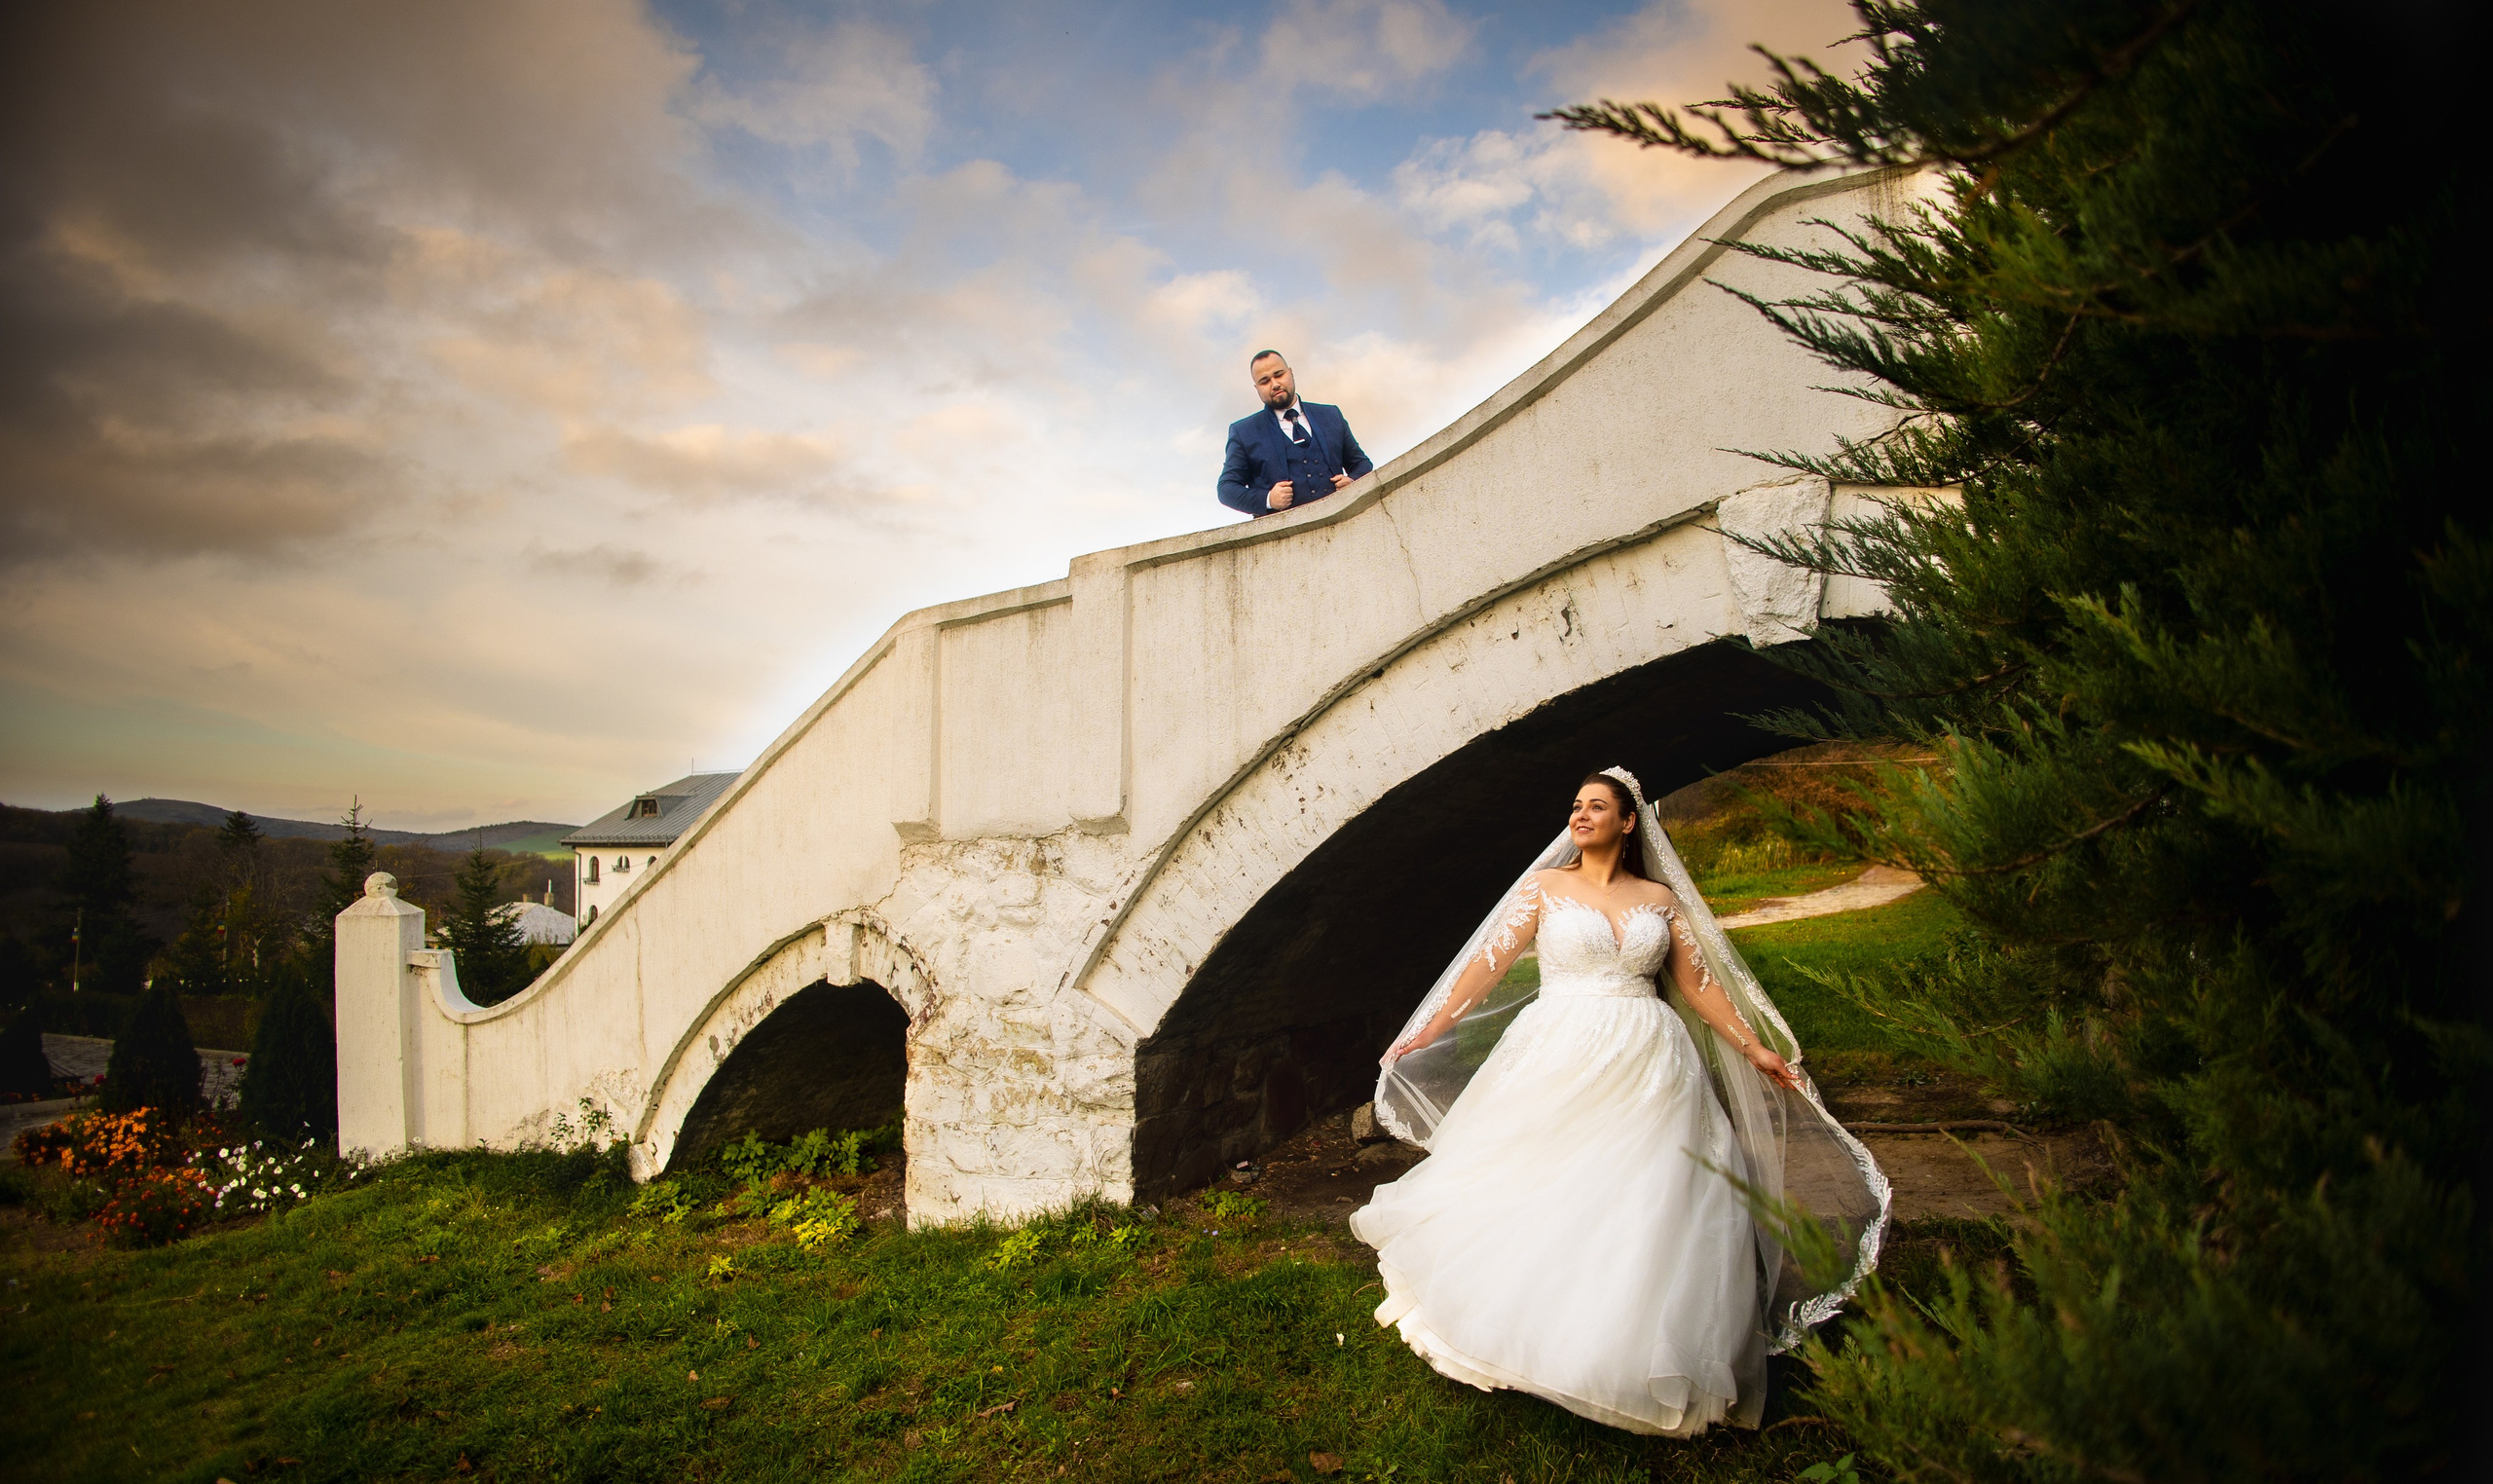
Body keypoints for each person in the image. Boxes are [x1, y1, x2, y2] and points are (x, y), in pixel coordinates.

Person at [1353, 767, 1888, 1436]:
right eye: (1575, 805)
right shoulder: (1546, 887)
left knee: (1652, 1191)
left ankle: (1627, 1346)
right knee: (1547, 1177)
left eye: (1596, 807)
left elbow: (1696, 986)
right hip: (1559, 1046)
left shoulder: (1660, 899)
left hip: (1650, 1056)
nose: (1580, 815)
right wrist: (1432, 1027)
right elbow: (1488, 964)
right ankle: (1520, 1320)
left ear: (1628, 822)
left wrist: (1753, 1047)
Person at [1217, 350, 1373, 516]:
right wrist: (1269, 499)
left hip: (1340, 523)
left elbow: (1361, 464)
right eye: (1265, 381)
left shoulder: (1331, 415)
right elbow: (1226, 489)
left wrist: (1352, 481)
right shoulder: (1243, 432)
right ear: (1257, 388)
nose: (1275, 384)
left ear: (1290, 373)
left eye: (1279, 374)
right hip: (1283, 536)